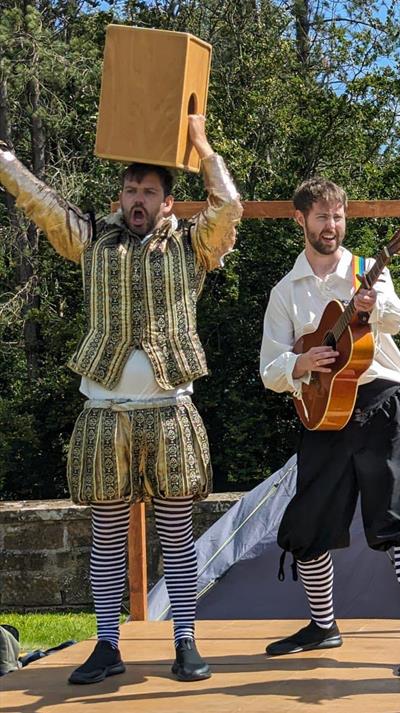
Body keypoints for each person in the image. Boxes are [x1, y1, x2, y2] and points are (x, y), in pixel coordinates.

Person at [0, 115, 242, 684]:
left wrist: (203, 147)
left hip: (170, 409)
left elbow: (229, 207)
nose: (138, 199)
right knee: (107, 536)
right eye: (131, 190)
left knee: (177, 537)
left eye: (149, 192)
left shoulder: (192, 243)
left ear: (167, 201)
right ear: (120, 196)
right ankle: (107, 645)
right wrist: (5, 163)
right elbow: (42, 204)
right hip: (105, 413)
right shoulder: (93, 239)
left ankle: (185, 641)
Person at [259, 178, 400, 676]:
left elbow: (397, 320)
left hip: (383, 405)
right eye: (321, 217)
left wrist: (370, 307)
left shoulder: (367, 270)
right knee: (310, 524)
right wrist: (302, 365)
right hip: (323, 415)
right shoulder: (285, 292)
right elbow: (268, 367)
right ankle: (323, 625)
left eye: (338, 217)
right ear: (301, 221)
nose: (332, 226)